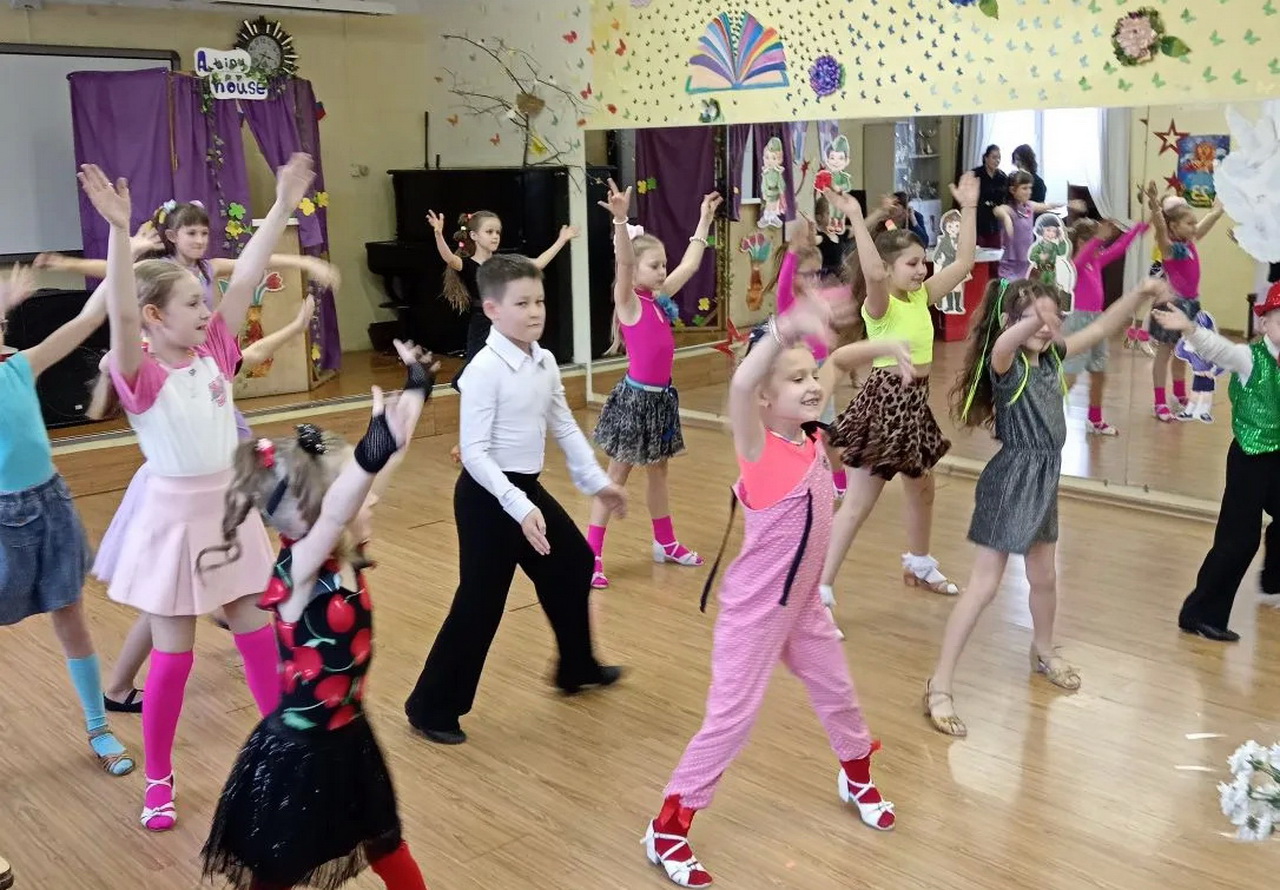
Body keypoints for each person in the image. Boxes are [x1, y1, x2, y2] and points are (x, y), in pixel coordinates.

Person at [84, 155, 315, 830]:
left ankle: (283, 759)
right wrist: (119, 232)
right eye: (191, 303)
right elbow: (121, 314)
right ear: (155, 316)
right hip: (173, 519)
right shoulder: (140, 372)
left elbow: (244, 279)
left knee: (257, 638)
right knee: (174, 656)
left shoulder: (213, 349)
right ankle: (158, 778)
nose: (207, 309)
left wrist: (281, 206)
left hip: (228, 512)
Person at [642, 296, 904, 889]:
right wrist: (783, 328)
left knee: (838, 693)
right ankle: (667, 829)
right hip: (756, 611)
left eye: (811, 377)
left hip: (803, 605)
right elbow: (740, 383)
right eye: (796, 379)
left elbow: (840, 359)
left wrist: (887, 346)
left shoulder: (808, 433)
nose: (812, 386)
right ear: (765, 398)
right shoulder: (757, 447)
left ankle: (856, 776)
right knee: (731, 720)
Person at [200, 342, 434, 890]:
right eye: (357, 492)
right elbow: (342, 507)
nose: (371, 498)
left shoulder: (341, 549)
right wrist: (374, 443)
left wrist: (417, 386)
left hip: (350, 739)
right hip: (300, 755)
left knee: (385, 844)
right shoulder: (300, 568)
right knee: (279, 871)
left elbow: (386, 460)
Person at [924, 276, 1165, 736]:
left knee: (1045, 577)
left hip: (1043, 480)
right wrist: (1034, 318)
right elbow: (1003, 342)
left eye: (1053, 318)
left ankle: (1044, 650)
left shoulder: (1053, 356)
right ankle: (940, 684)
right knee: (984, 586)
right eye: (1032, 318)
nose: (1044, 326)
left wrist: (1139, 293)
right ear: (1010, 321)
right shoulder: (1007, 365)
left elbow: (1101, 328)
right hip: (1011, 481)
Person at [404, 254, 628, 745]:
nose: (535, 311)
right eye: (522, 303)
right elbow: (475, 454)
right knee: (481, 603)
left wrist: (597, 482)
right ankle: (430, 708)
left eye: (539, 301)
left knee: (573, 564)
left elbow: (564, 426)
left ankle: (576, 668)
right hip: (487, 498)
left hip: (523, 492)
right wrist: (520, 507)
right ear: (492, 309)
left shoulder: (542, 361)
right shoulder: (483, 370)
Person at [0, 252, 134, 778]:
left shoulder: (19, 367)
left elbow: (89, 317)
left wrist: (122, 248)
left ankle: (98, 726)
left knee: (71, 612)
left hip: (49, 504)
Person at [818, 176, 977, 606]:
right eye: (912, 263)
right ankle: (821, 588)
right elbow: (871, 271)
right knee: (858, 504)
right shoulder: (880, 305)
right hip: (884, 405)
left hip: (914, 405)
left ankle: (919, 564)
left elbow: (964, 262)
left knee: (922, 488)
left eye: (923, 262)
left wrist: (969, 208)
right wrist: (856, 217)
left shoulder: (921, 296)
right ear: (889, 270)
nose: (922, 270)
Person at [586, 181, 719, 588]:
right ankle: (591, 555)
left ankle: (665, 541)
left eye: (663, 265)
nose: (662, 271)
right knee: (616, 477)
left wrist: (704, 220)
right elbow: (625, 265)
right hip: (635, 401)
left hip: (661, 401)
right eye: (655, 266)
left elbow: (691, 265)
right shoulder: (629, 302)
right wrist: (621, 221)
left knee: (659, 472)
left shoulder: (660, 298)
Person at [1155, 285, 1280, 641]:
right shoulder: (1249, 358)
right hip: (1250, 458)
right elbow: (1218, 349)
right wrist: (1190, 329)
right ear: (1264, 324)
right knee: (1239, 540)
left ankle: (1274, 581)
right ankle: (1199, 614)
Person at [429, 208, 577, 386]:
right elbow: (449, 258)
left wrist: (562, 240)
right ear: (474, 236)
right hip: (482, 323)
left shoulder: (502, 263)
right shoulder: (467, 264)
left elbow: (537, 263)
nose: (495, 236)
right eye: (489, 232)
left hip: (504, 321)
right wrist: (438, 234)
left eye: (497, 232)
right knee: (473, 368)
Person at [1142, 181, 1225, 422]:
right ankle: (1159, 401)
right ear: (1174, 226)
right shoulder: (1169, 248)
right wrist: (1155, 205)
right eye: (1189, 223)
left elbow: (1205, 224)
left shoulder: (1189, 242)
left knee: (1183, 352)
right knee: (1164, 353)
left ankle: (1179, 394)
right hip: (1170, 306)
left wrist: (1218, 210)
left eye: (1193, 222)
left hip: (1190, 306)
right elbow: (1160, 227)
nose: (1194, 227)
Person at [1064, 217, 1150, 436]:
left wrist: (1138, 229)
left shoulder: (1096, 260)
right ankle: (1043, 414)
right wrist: (1097, 239)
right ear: (1081, 242)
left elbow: (1119, 249)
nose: (1101, 245)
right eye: (1096, 241)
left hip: (1097, 321)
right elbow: (1078, 262)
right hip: (1078, 322)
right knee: (1070, 375)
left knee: (1099, 371)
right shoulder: (1073, 265)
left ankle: (1095, 419)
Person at [973, 144, 1007, 249]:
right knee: (979, 252)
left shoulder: (1002, 177)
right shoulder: (976, 174)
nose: (997, 161)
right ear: (986, 158)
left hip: (995, 221)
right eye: (994, 157)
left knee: (995, 251)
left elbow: (1004, 198)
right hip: (978, 219)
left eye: (999, 158)